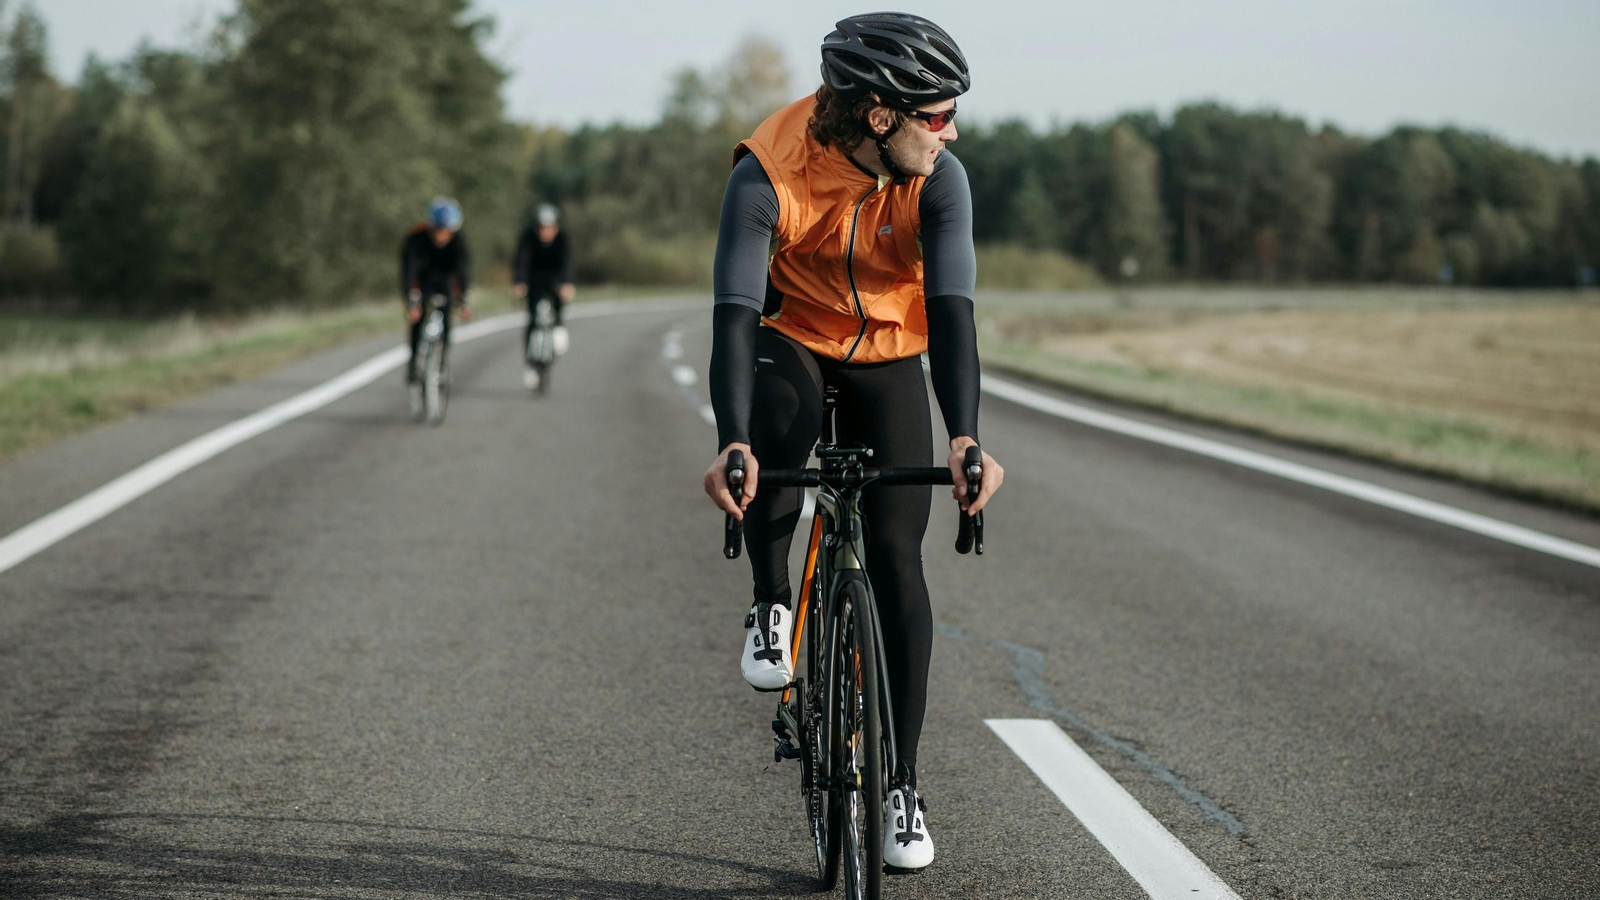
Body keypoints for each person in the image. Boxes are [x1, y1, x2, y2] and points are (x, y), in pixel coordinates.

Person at [700, 12, 1003, 872]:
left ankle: (900, 784)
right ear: (881, 116)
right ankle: (770, 601)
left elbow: (952, 312)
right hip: (789, 332)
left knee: (900, 557)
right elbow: (729, 313)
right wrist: (733, 443)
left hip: (890, 350)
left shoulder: (940, 180)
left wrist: (966, 437)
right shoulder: (768, 172)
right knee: (778, 438)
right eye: (937, 115)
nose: (951, 132)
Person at [400, 197, 474, 384]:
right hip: (421, 282)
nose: (442, 235)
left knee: (447, 319)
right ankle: (413, 363)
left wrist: (464, 301)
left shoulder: (459, 241)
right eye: (438, 230)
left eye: (446, 231)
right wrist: (412, 301)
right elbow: (409, 271)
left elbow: (462, 272)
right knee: (417, 320)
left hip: (444, 283)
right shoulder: (415, 239)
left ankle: (441, 364)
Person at [512, 203, 575, 389]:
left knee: (559, 301)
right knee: (532, 320)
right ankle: (530, 362)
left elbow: (567, 263)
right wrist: (519, 282)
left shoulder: (563, 240)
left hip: (555, 279)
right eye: (541, 228)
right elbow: (521, 260)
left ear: (556, 227)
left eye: (549, 228)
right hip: (534, 279)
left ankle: (558, 326)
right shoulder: (528, 238)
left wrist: (567, 284)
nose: (545, 232)